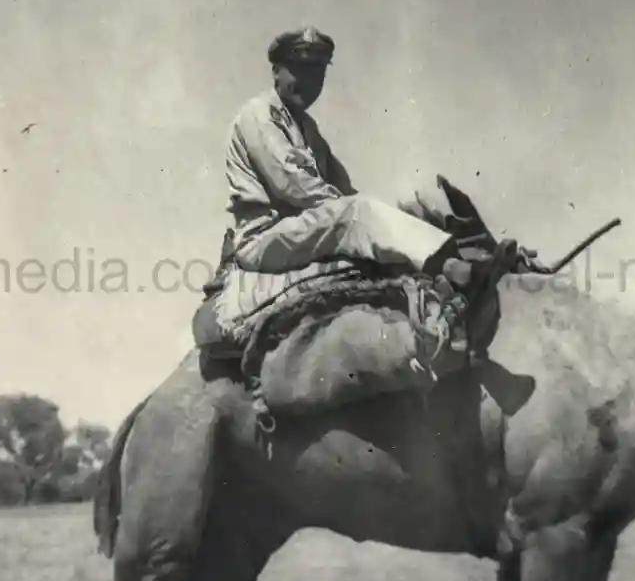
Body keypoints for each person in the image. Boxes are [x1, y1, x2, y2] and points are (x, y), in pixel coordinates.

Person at [219, 25, 538, 352]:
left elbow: (343, 188)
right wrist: (357, 215)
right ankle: (459, 272)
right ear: (276, 70)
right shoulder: (259, 115)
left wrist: (375, 219)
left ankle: (453, 280)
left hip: (300, 230)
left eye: (317, 74)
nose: (309, 82)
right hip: (264, 239)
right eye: (299, 70)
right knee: (359, 215)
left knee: (391, 212)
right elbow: (296, 187)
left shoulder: (307, 129)